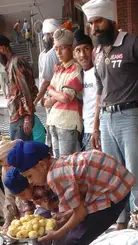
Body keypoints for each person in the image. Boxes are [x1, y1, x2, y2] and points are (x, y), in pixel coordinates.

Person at [82, 0, 138, 228]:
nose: (95, 28)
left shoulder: (133, 43)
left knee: (135, 175)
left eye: (98, 21)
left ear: (111, 20)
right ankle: (121, 221)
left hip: (129, 117)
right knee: (114, 175)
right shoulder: (98, 52)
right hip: (106, 120)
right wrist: (95, 126)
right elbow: (100, 90)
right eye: (91, 23)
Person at [8, 141, 135, 245]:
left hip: (115, 192)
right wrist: (66, 214)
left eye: (29, 176)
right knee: (78, 237)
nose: (30, 182)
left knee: (74, 240)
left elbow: (80, 213)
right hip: (110, 185)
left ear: (41, 165)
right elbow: (80, 194)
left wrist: (57, 234)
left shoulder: (55, 176)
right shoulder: (57, 164)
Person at [4, 167, 66, 245]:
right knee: (35, 222)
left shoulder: (43, 189)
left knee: (56, 228)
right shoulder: (27, 191)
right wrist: (27, 219)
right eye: (19, 196)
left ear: (30, 184)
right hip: (43, 205)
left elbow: (58, 206)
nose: (22, 198)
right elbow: (28, 203)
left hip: (59, 207)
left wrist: (52, 211)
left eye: (22, 194)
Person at [0, 34, 38, 141]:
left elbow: (26, 91)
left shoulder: (16, 63)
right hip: (18, 117)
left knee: (20, 153)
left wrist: (27, 117)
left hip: (21, 118)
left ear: (2, 48)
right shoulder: (11, 63)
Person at [45, 28, 83, 158]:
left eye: (62, 48)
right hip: (54, 121)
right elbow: (47, 102)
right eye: (56, 48)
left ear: (71, 48)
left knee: (67, 163)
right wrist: (56, 94)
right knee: (57, 162)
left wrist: (52, 91)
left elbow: (66, 97)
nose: (59, 52)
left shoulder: (76, 69)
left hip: (67, 123)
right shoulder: (59, 70)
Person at [73, 30, 97, 152]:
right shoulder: (78, 75)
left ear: (93, 49)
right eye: (78, 50)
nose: (82, 54)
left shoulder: (99, 71)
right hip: (86, 129)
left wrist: (96, 129)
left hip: (99, 130)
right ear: (74, 55)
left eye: (86, 48)